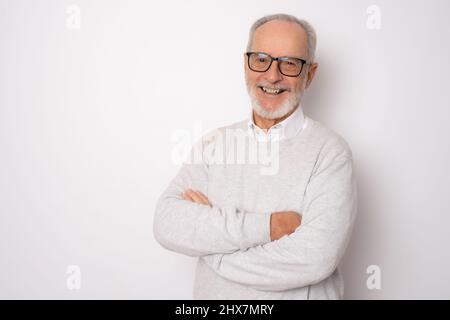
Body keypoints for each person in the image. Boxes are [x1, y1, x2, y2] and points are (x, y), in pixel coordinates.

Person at [153, 13, 357, 299]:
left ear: (309, 74)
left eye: (289, 63)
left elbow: (314, 257)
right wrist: (268, 226)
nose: (272, 75)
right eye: (261, 59)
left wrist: (213, 250)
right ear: (245, 64)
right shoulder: (214, 144)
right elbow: (166, 223)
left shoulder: (331, 153)